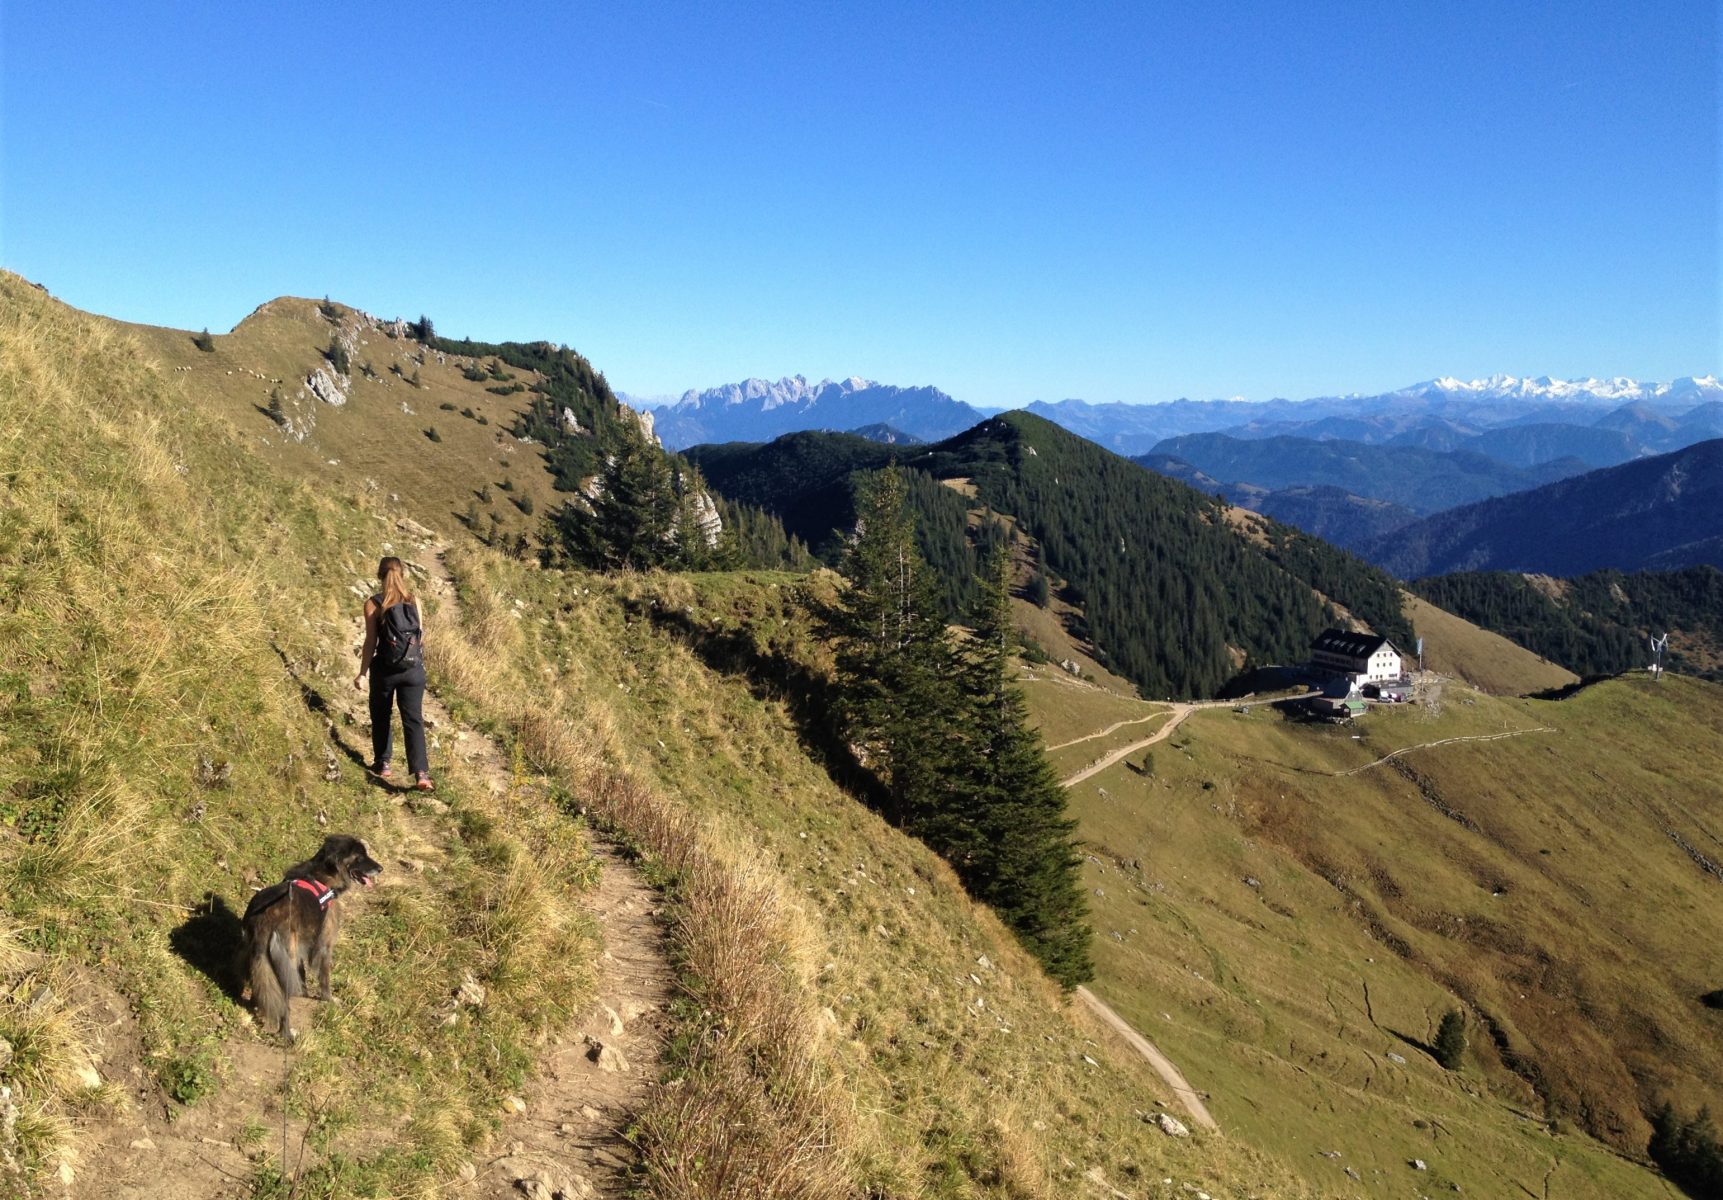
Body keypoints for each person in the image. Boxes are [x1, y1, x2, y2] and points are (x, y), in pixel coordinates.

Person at [353, 556, 433, 790]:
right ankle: (421, 774)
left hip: (386, 670)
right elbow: (420, 636)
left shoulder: (373, 604)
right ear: (402, 575)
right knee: (414, 720)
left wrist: (363, 673)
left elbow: (370, 642)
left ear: (379, 575)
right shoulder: (414, 601)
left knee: (381, 715)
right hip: (413, 670)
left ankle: (383, 763)